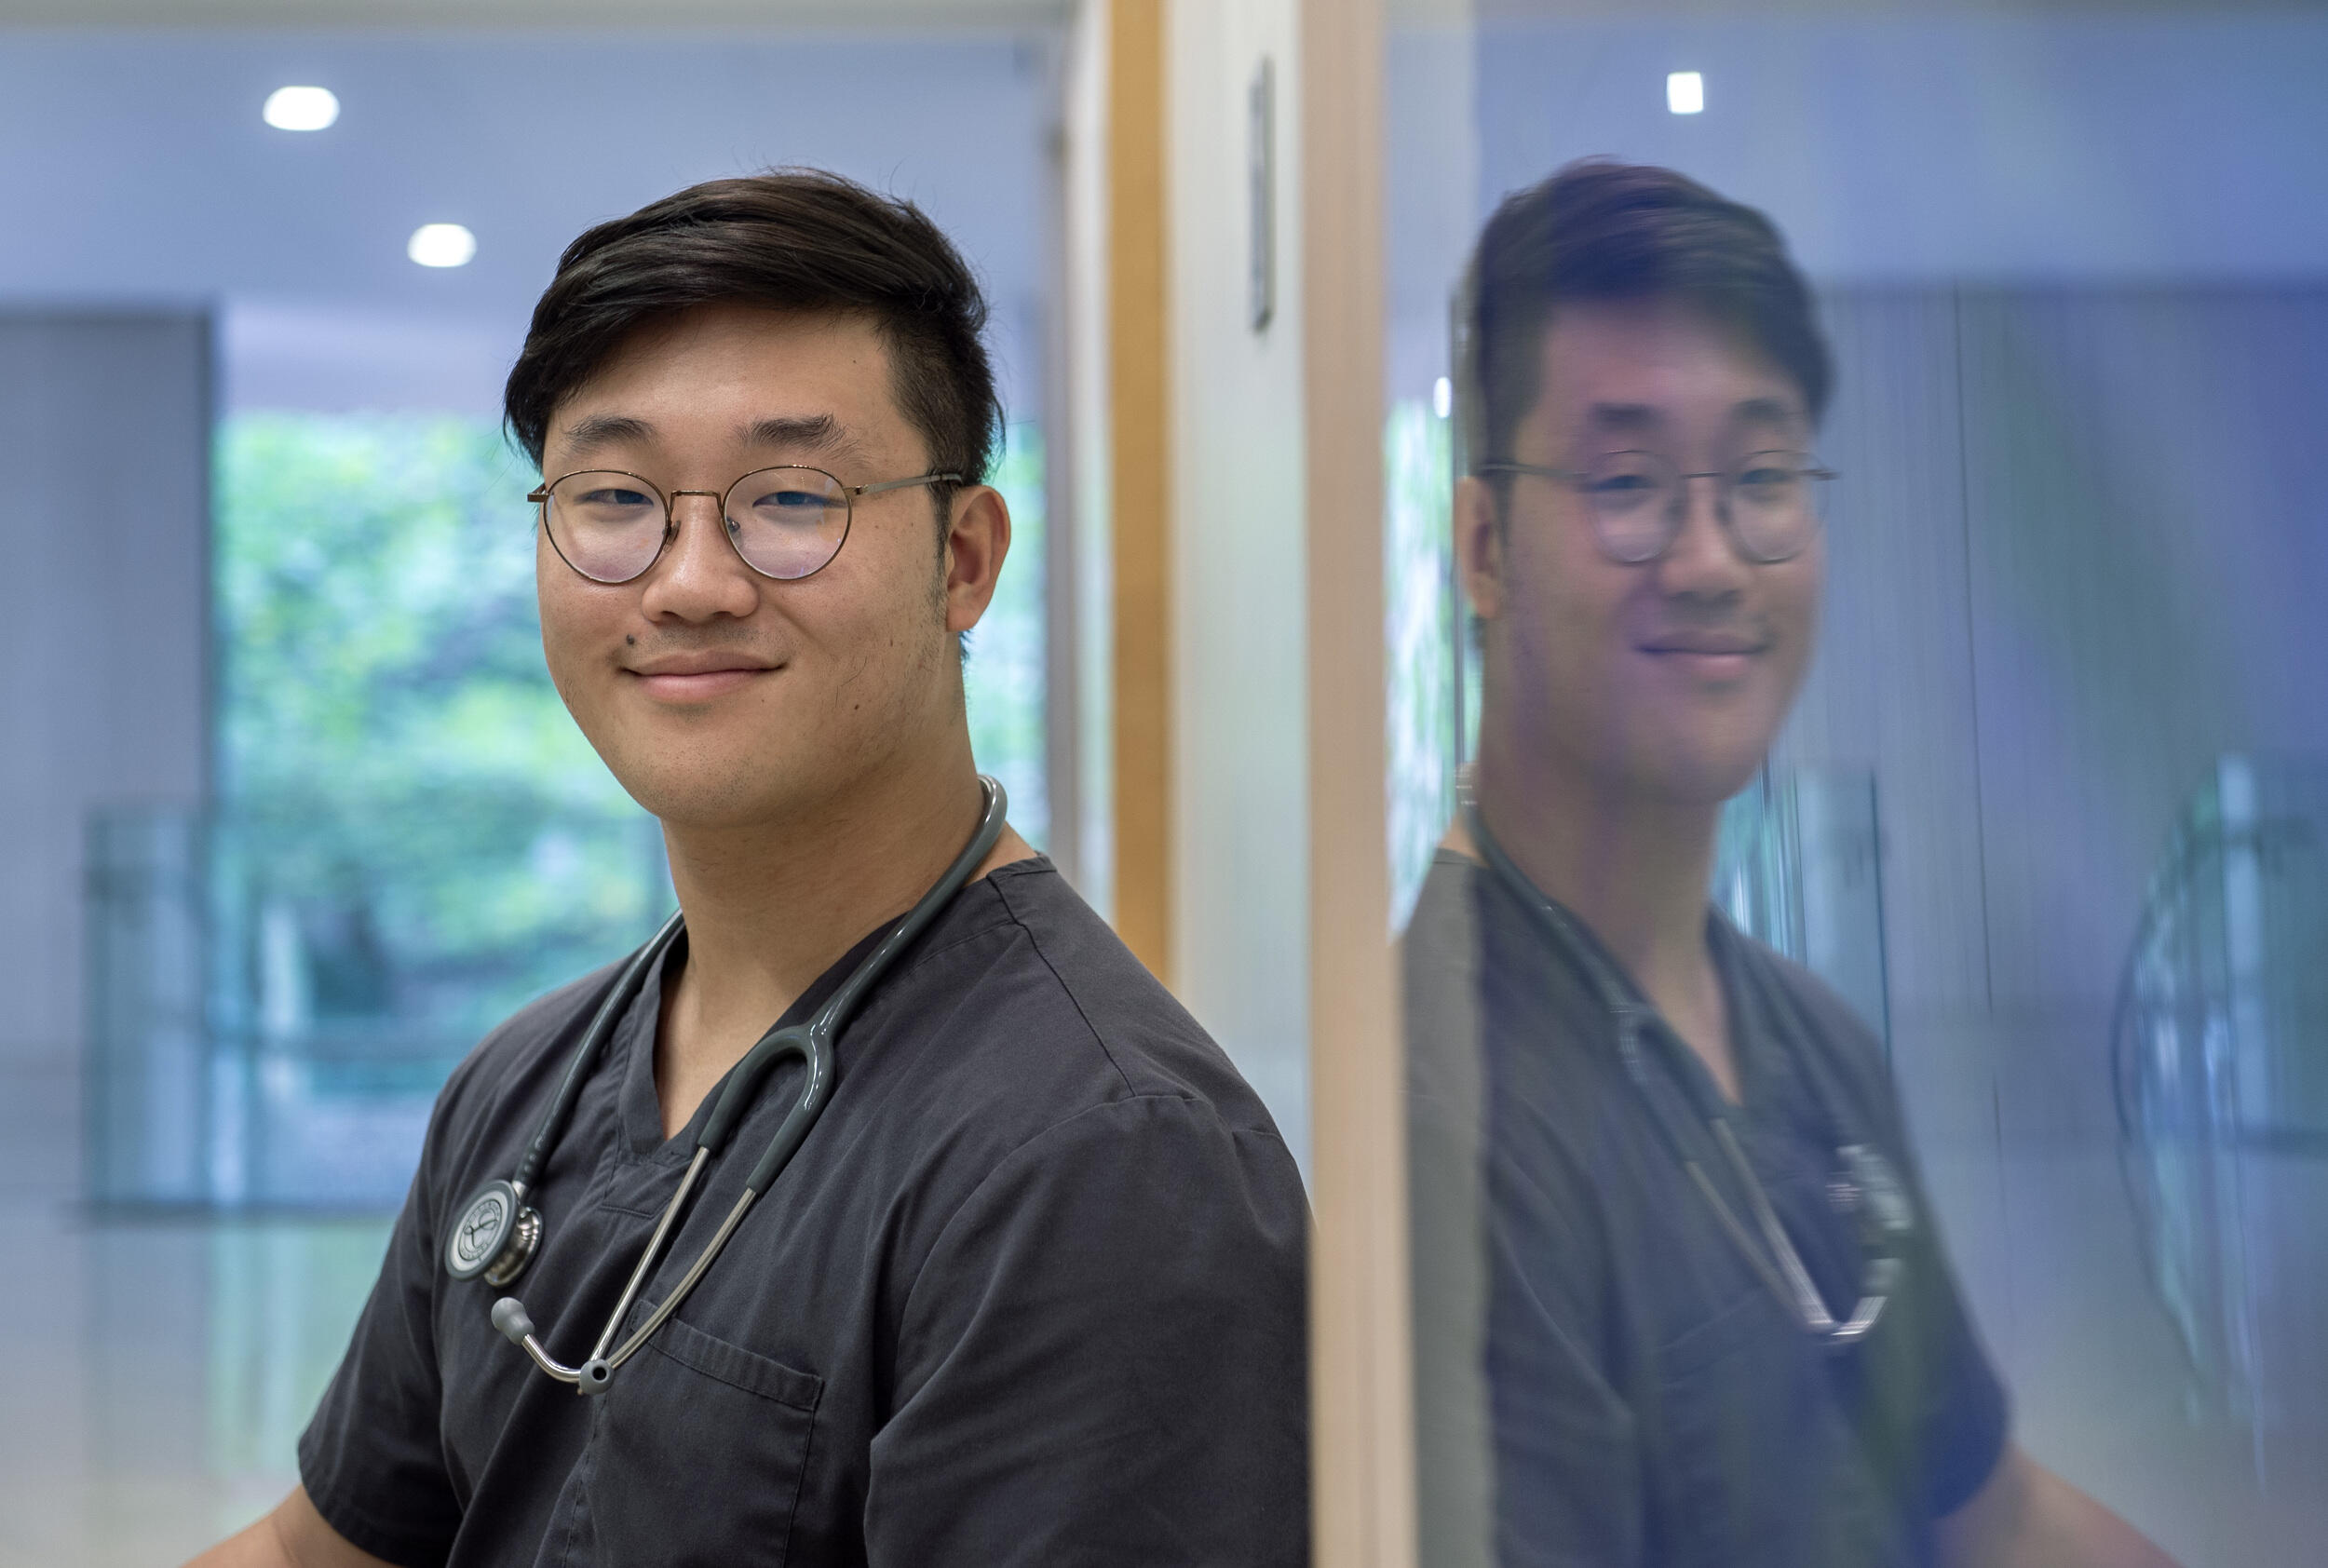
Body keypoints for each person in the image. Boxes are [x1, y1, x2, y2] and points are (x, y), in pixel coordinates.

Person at [191, 169, 1308, 1568]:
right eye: (615, 496)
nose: (689, 582)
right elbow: (318, 1551)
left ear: (962, 560)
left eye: (790, 496)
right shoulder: (526, 1083)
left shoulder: (1102, 1162)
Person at [1403, 160, 2179, 1568]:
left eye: (1761, 479)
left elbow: (1989, 1512)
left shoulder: (1809, 1042)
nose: (1709, 560)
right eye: (1627, 482)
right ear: (1484, 545)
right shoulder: (1447, 1103)